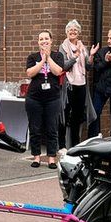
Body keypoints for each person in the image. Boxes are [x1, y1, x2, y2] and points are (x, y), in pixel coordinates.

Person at [25, 30, 65, 168]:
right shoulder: (32, 56)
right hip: (34, 98)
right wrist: (42, 60)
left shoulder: (57, 55)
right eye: (41, 39)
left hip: (52, 98)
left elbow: (58, 71)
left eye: (46, 38)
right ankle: (36, 157)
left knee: (52, 128)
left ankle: (51, 158)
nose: (44, 41)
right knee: (35, 128)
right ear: (38, 42)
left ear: (51, 40)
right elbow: (30, 73)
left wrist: (48, 58)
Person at [58, 19, 93, 146]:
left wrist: (91, 57)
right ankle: (62, 145)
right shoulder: (63, 47)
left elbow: (88, 67)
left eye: (75, 30)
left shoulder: (83, 47)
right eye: (70, 30)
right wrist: (75, 56)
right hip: (69, 85)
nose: (72, 32)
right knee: (65, 114)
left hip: (81, 84)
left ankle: (75, 145)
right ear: (66, 32)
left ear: (79, 32)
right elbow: (63, 66)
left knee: (77, 116)